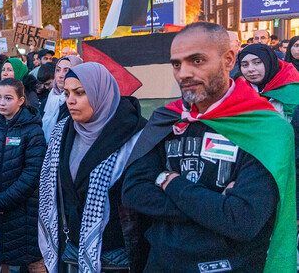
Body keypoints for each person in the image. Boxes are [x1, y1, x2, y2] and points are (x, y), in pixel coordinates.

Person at [122, 22, 296, 271]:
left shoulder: (266, 128)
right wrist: (215, 207)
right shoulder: (167, 118)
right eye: (176, 64)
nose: (183, 73)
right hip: (162, 263)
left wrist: (170, 182)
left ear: (228, 60)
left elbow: (242, 220)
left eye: (197, 60)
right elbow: (134, 192)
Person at [38, 62, 146, 272]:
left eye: (80, 93)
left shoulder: (135, 134)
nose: (71, 101)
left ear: (100, 92)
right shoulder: (64, 131)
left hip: (119, 255)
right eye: (67, 93)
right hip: (72, 251)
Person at [0, 79, 46, 272]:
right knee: (0, 261)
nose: (2, 102)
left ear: (21, 100)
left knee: (33, 260)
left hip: (24, 211)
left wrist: (2, 201)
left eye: (8, 98)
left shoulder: (33, 132)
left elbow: (32, 174)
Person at [238, 43, 299, 117]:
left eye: (257, 62)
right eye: (245, 65)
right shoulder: (238, 90)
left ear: (269, 62)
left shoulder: (293, 89)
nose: (250, 69)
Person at [41, 56, 84, 140]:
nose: (60, 75)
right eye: (58, 70)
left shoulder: (78, 102)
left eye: (66, 70)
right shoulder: (47, 100)